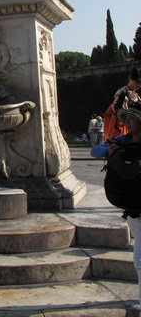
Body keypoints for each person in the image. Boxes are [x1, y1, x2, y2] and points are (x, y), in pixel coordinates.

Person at [92, 99, 141, 308]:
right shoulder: (123, 140)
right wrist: (110, 151)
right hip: (131, 210)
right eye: (126, 118)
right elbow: (95, 151)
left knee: (139, 262)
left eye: (132, 118)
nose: (128, 122)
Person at [104, 68, 141, 141]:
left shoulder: (135, 94)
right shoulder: (123, 92)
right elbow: (118, 110)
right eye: (137, 82)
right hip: (121, 127)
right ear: (130, 78)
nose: (139, 85)